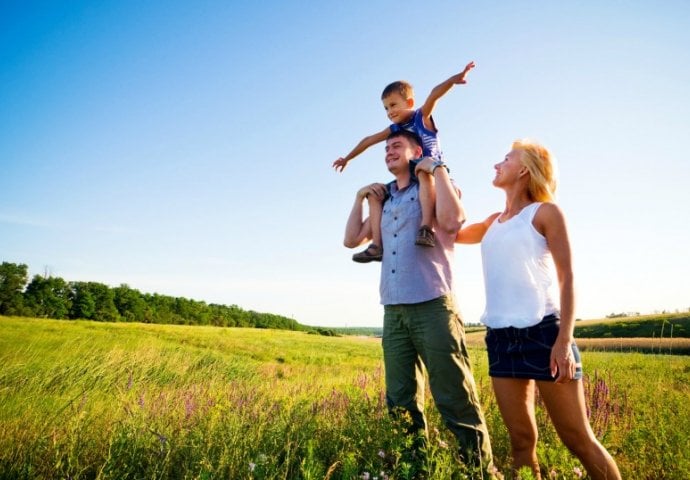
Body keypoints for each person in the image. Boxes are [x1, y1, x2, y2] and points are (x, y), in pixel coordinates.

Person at [456, 140, 622, 480]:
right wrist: (440, 184)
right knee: (520, 441)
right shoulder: (492, 222)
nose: (496, 164)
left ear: (523, 170)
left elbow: (568, 277)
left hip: (545, 334)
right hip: (501, 338)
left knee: (577, 439)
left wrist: (564, 342)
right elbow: (450, 234)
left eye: (505, 158)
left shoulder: (545, 213)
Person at [344, 129, 493, 472]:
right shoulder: (386, 200)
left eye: (396, 145)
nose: (388, 151)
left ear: (415, 151)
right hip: (393, 311)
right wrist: (359, 197)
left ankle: (479, 471)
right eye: (385, 148)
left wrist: (437, 168)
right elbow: (351, 239)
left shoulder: (433, 187)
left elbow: (454, 221)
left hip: (433, 305)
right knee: (400, 401)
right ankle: (414, 469)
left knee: (455, 395)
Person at [335, 62, 476, 262]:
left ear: (409, 103)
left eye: (393, 105)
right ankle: (377, 245)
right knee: (375, 195)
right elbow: (368, 140)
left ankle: (425, 227)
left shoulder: (421, 117)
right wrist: (347, 158)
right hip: (409, 177)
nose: (389, 112)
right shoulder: (394, 129)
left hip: (430, 171)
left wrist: (454, 80)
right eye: (385, 108)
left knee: (422, 171)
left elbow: (434, 94)